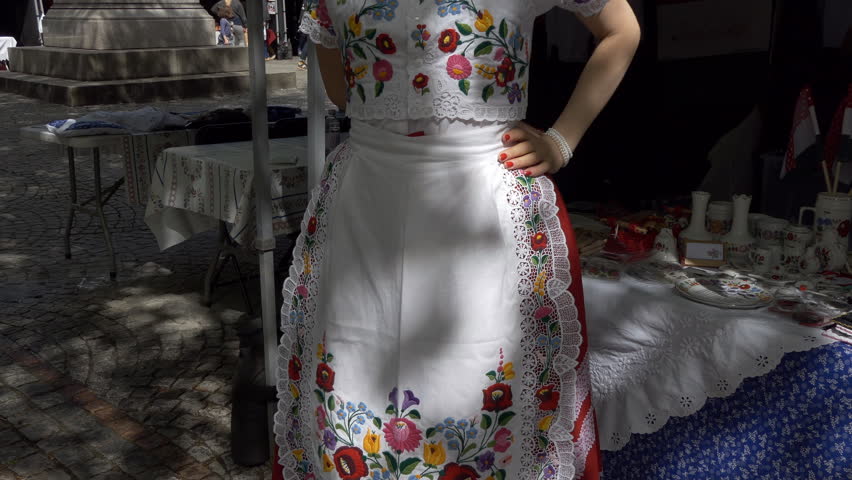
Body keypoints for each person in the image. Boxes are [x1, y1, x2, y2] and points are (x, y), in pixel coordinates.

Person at [273, 1, 639, 480]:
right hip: (365, 214)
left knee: (490, 388)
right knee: (351, 381)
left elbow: (622, 30)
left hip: (483, 207)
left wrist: (562, 139)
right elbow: (341, 86)